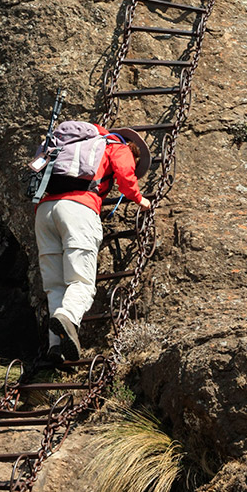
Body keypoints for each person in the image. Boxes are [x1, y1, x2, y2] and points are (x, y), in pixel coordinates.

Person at [34, 125, 151, 365]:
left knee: (55, 286)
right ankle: (67, 317)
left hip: (44, 211)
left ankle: (55, 347)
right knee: (81, 282)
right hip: (78, 209)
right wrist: (140, 199)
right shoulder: (116, 145)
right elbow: (125, 175)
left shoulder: (65, 143)